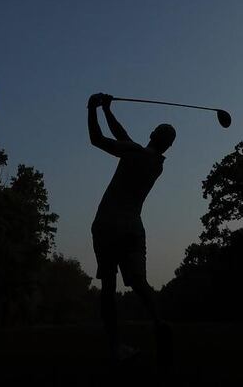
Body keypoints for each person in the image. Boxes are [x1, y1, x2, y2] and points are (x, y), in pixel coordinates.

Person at [87, 92, 175, 367]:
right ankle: (159, 323)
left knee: (109, 287)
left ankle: (116, 346)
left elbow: (97, 139)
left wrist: (93, 108)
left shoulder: (135, 152)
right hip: (133, 227)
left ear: (152, 133)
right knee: (139, 282)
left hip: (108, 223)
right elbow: (125, 138)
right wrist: (108, 110)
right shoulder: (156, 164)